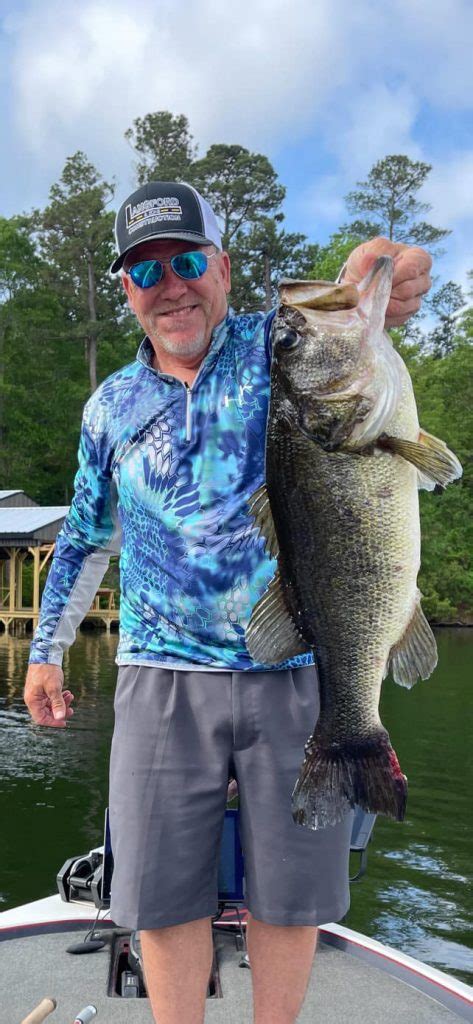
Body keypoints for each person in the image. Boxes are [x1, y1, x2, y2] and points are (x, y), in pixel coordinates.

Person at [23, 180, 432, 1024]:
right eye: (145, 271)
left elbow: (371, 291)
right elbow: (86, 536)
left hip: (298, 665)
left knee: (290, 888)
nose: (169, 285)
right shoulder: (110, 407)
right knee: (162, 894)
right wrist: (45, 651)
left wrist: (385, 267)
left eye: (185, 260)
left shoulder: (280, 347)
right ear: (125, 290)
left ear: (222, 266)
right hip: (157, 676)